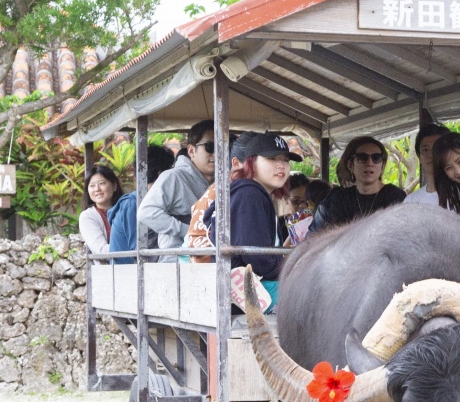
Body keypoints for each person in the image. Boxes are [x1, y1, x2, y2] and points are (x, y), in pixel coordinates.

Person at [203, 132, 301, 302]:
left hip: (242, 288)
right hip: (248, 293)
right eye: (272, 159)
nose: (281, 165)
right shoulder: (249, 194)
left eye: (285, 160)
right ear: (251, 162)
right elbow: (258, 260)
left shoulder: (245, 192)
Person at [137, 120, 215, 260]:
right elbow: (146, 212)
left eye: (224, 147)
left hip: (207, 262)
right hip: (176, 264)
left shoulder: (220, 183)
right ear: (191, 151)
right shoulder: (174, 177)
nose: (217, 153)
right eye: (210, 147)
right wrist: (189, 231)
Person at [310, 136, 406, 232]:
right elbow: (338, 236)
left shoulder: (395, 195)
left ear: (382, 166)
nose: (369, 163)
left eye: (376, 158)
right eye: (362, 158)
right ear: (350, 165)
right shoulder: (341, 198)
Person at [78, 165, 122, 252]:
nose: (97, 189)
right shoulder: (88, 216)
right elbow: (101, 250)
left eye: (102, 183)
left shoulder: (126, 210)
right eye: (92, 186)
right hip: (108, 265)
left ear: (114, 186)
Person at [405, 123, 451, 205]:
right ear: (419, 156)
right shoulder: (411, 201)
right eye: (425, 150)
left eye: (437, 148)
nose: (431, 154)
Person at [285, 179, 332, 244]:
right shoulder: (277, 226)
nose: (302, 206)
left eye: (305, 201)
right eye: (295, 201)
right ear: (286, 201)